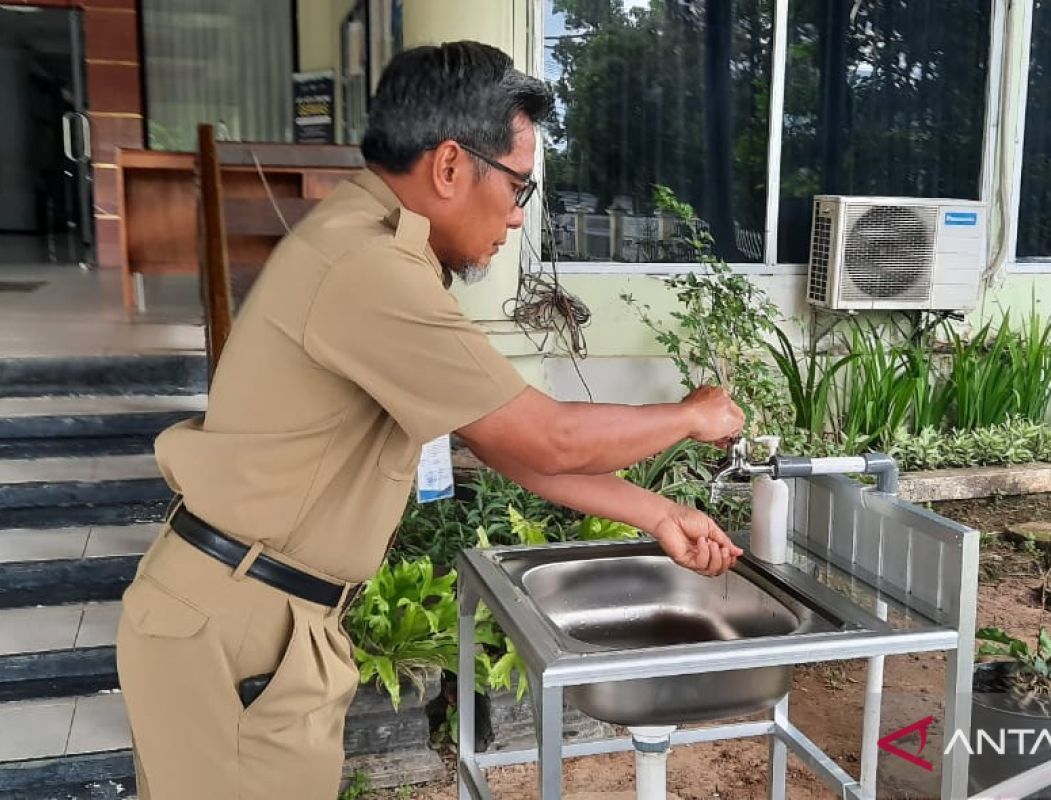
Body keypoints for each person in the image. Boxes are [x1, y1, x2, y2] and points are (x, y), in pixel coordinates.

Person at [116, 40, 745, 800]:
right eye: (519, 188)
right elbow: (547, 435)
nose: (517, 219)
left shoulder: (375, 248)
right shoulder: (366, 268)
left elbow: (500, 437)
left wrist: (658, 511)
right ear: (450, 166)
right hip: (239, 621)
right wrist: (689, 415)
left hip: (255, 611)